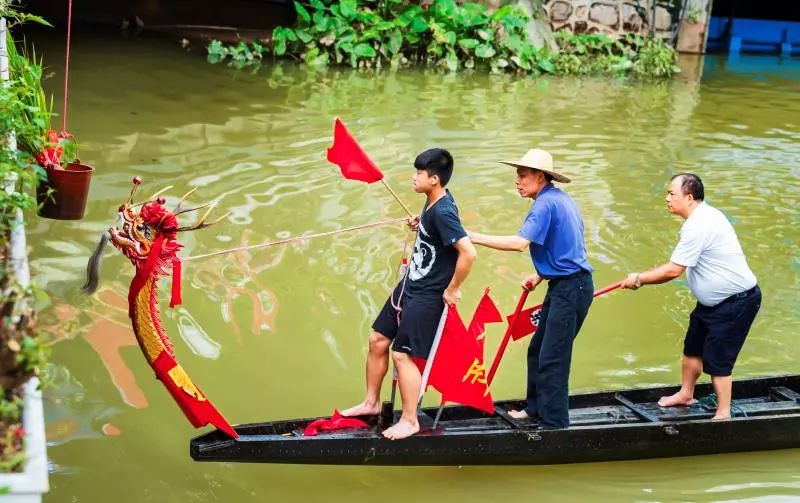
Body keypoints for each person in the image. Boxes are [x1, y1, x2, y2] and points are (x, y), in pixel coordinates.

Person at [341, 148, 477, 440]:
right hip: (410, 284)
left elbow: (468, 253)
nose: (413, 178)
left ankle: (410, 420)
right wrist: (422, 225)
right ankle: (371, 403)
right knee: (377, 339)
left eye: (418, 173)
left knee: (402, 355)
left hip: (428, 294)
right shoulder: (433, 204)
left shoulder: (442, 211)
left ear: (434, 179)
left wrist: (453, 289)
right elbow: (438, 237)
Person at [468, 149, 593, 429]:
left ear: (539, 177)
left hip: (571, 288)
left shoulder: (545, 204)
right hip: (564, 284)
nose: (517, 181)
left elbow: (519, 243)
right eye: (517, 175)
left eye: (522, 176)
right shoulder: (559, 199)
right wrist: (540, 274)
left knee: (553, 358)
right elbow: (567, 243)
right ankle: (536, 408)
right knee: (538, 351)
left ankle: (554, 425)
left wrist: (471, 236)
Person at [620, 173, 760, 420]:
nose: (666, 199)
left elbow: (674, 270)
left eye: (671, 194)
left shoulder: (700, 224)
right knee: (692, 348)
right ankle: (686, 393)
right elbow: (679, 262)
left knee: (718, 359)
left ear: (690, 197)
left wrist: (639, 279)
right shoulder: (699, 219)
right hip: (711, 303)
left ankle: (723, 413)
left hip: (737, 302)